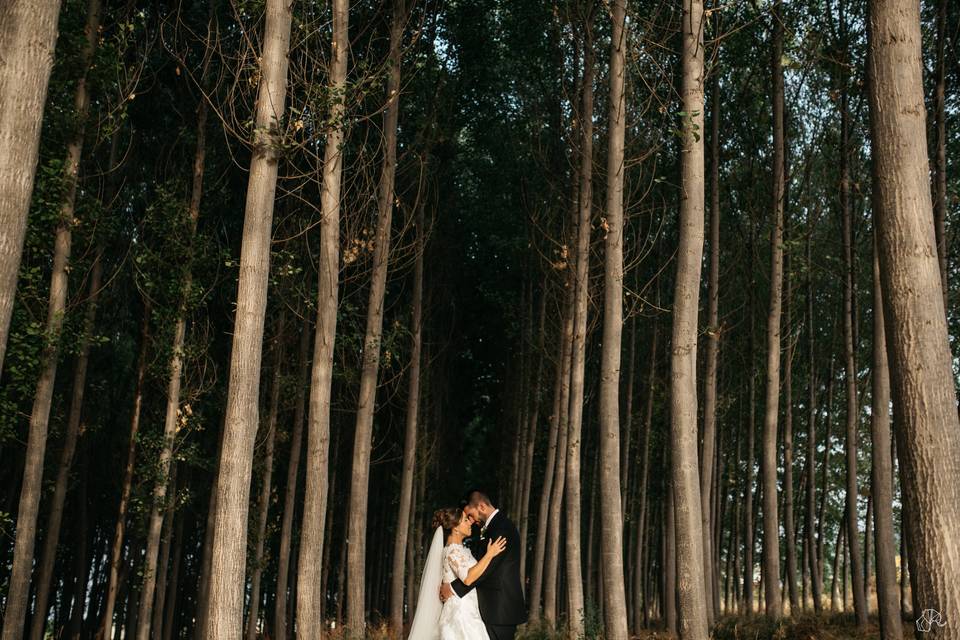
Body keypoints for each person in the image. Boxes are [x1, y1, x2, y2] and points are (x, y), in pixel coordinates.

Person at [407, 506, 506, 640]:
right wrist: (490, 554)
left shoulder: (461, 549)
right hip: (460, 614)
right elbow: (468, 578)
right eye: (465, 520)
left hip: (469, 610)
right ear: (456, 528)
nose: (470, 522)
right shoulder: (453, 551)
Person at [440, 491, 527, 640]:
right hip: (486, 608)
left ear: (481, 506)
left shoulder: (502, 528)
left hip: (500, 608)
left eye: (471, 515)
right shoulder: (489, 528)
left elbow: (487, 569)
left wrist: (453, 588)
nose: (471, 521)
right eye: (466, 519)